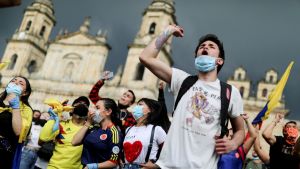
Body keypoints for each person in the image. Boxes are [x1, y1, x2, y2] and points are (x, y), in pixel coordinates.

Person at [139, 24, 245, 168]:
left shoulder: (230, 92)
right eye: (202, 46)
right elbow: (145, 57)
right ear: (196, 57)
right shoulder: (182, 80)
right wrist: (167, 32)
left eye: (211, 46)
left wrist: (233, 143)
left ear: (219, 61)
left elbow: (240, 130)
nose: (205, 47)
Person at [39, 96, 90, 169]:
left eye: (85, 105)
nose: (81, 106)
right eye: (78, 104)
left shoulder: (90, 129)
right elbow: (43, 138)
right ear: (71, 110)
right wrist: (55, 114)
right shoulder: (60, 124)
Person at [72, 98, 122, 169]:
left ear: (108, 111)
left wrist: (92, 166)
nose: (93, 110)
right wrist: (88, 123)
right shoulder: (94, 127)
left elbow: (113, 162)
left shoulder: (114, 132)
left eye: (97, 108)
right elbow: (74, 142)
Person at [123, 98, 167, 169]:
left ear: (150, 110)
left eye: (140, 105)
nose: (136, 107)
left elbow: (168, 151)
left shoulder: (156, 129)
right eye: (137, 105)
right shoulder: (128, 129)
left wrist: (156, 165)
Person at [0, 76, 33, 169]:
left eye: (21, 83)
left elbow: (19, 132)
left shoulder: (26, 110)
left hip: (3, 153)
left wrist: (15, 107)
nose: (16, 82)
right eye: (13, 80)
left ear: (25, 92)